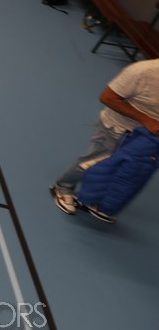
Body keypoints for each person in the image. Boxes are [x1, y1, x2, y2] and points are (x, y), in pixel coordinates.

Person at [51, 60, 159, 222]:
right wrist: (147, 120)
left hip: (145, 137)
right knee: (94, 162)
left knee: (119, 169)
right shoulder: (142, 72)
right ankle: (62, 187)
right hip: (117, 129)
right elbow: (108, 97)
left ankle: (91, 198)